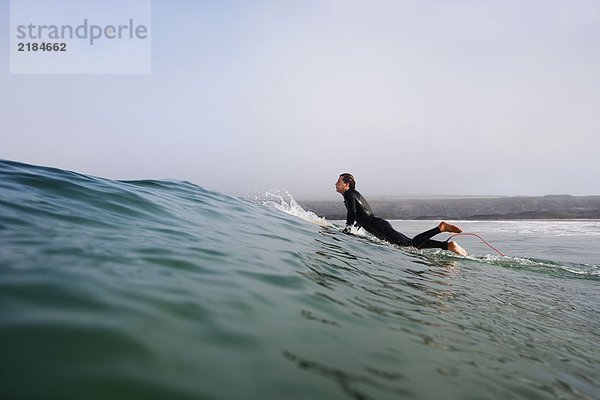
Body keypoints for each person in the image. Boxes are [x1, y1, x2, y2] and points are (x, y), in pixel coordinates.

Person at [335, 173, 468, 256]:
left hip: (380, 227)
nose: (336, 184)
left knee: (410, 245)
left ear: (346, 185)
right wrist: (355, 228)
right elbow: (359, 215)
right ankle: (447, 246)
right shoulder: (351, 194)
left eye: (339, 182)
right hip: (379, 225)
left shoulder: (349, 194)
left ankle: (441, 228)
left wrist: (347, 228)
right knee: (411, 246)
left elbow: (352, 212)